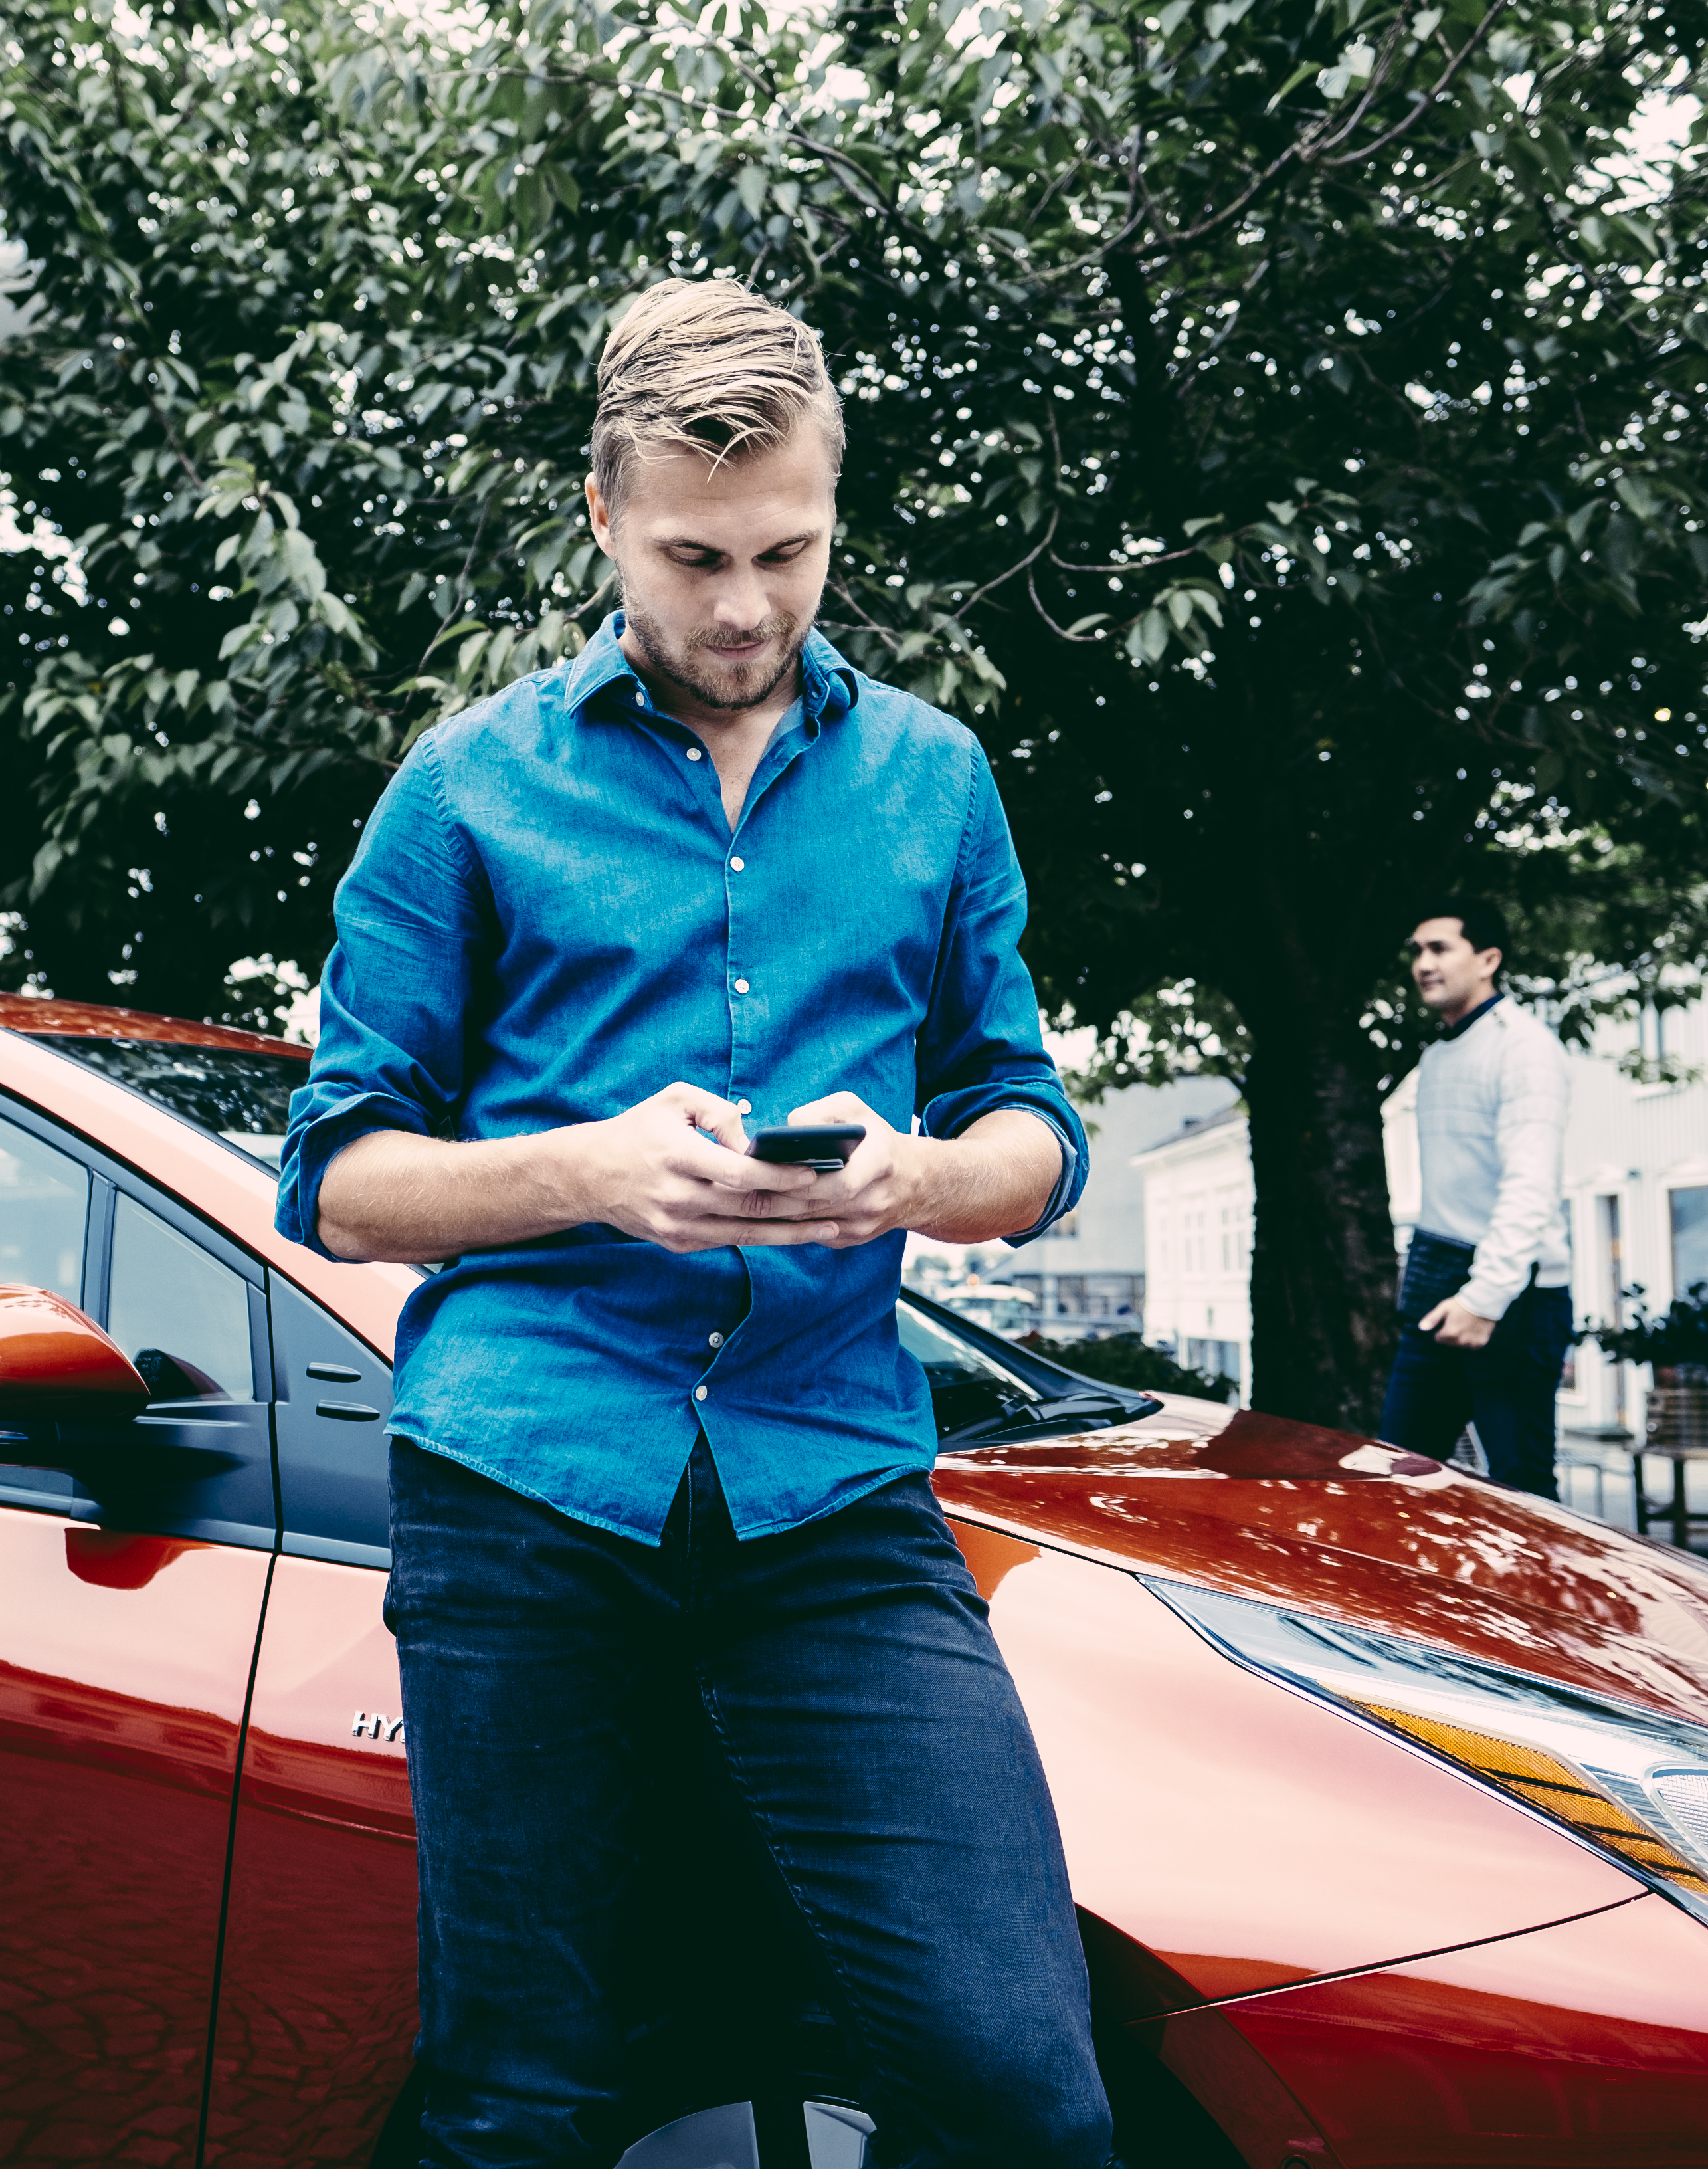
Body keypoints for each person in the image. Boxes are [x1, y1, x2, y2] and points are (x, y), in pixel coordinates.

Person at [278, 277, 1113, 2169]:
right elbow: (335, 1178)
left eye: (790, 550)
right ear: (603, 519)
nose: (744, 607)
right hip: (526, 1493)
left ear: (833, 509)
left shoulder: (936, 780)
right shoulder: (464, 788)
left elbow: (1031, 1130)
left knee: (1018, 2084)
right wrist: (585, 1169)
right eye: (693, 557)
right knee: (525, 2096)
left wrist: (912, 1175)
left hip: (833, 1495)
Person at [1377, 898, 1578, 1498]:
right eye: (1417, 951)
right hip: (1438, 1274)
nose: (1423, 963)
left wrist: (1486, 1298)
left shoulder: (1525, 1048)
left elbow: (1531, 1185)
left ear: (1488, 959)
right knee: (1399, 1475)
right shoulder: (1438, 1056)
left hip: (1514, 1292)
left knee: (1523, 1493)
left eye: (1440, 948)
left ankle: (1533, 1594)